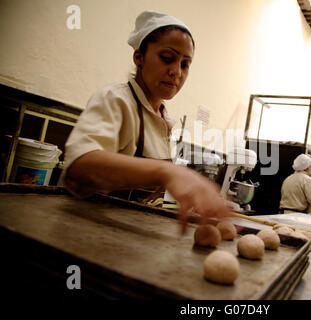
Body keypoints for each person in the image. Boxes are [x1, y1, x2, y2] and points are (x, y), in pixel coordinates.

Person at [62, 11, 229, 231]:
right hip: (85, 232)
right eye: (167, 58)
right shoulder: (115, 99)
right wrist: (166, 171)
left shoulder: (162, 118)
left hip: (125, 237)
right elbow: (79, 167)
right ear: (139, 57)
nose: (175, 72)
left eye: (185, 64)